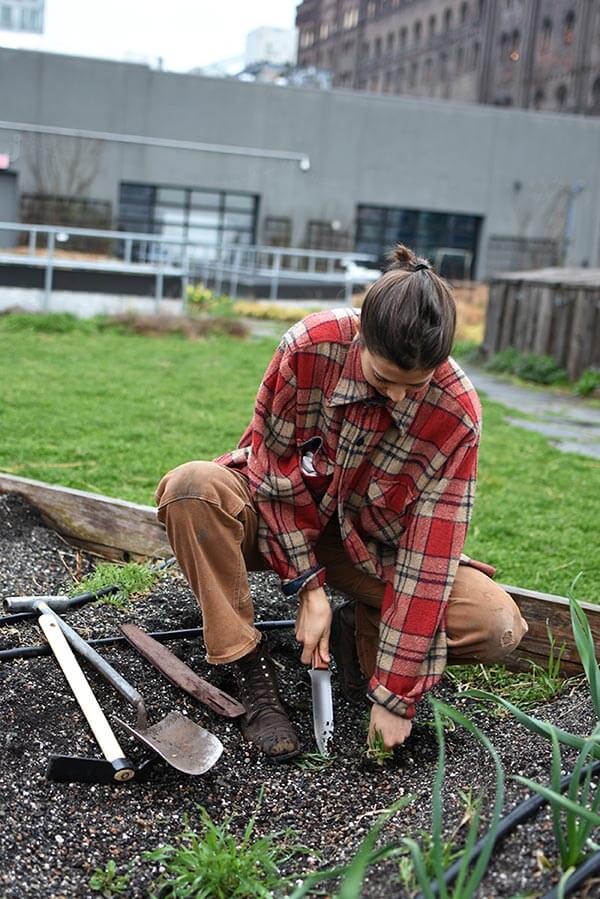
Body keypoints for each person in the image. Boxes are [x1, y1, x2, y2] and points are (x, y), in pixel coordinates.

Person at [155, 244, 528, 761]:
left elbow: (430, 555)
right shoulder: (311, 347)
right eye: (383, 380)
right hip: (274, 516)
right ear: (361, 340)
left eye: (413, 386)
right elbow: (274, 472)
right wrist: (308, 590)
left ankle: (361, 642)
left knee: (495, 623)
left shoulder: (456, 412)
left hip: (368, 547)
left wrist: (397, 696)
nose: (398, 398)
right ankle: (247, 665)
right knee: (192, 489)